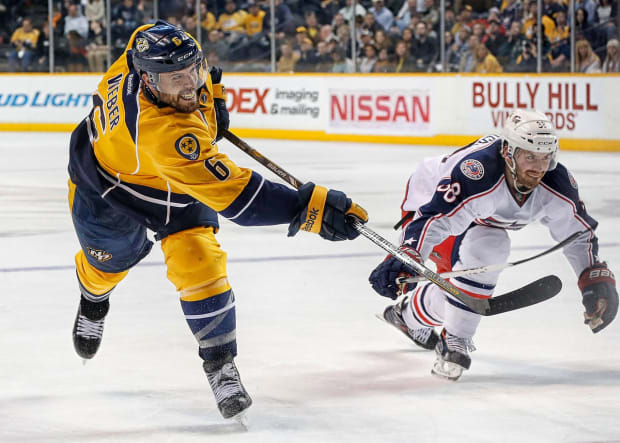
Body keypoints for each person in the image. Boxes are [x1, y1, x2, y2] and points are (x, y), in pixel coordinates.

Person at [67, 20, 368, 420]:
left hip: (173, 181)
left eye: (193, 70)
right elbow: (243, 200)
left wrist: (214, 101)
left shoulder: (148, 48)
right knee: (108, 264)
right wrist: (309, 209)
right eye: (176, 79)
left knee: (200, 263)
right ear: (148, 80)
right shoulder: (161, 131)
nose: (189, 83)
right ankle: (93, 300)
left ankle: (220, 365)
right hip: (109, 187)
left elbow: (193, 78)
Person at [369, 109, 618, 381]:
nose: (538, 167)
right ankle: (454, 337)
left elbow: (578, 234)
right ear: (509, 152)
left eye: (546, 157)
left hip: (481, 216)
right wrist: (407, 256)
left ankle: (407, 316)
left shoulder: (557, 183)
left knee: (473, 274)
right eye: (530, 156)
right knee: (485, 256)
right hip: (427, 200)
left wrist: (592, 279)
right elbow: (436, 219)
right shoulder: (478, 173)